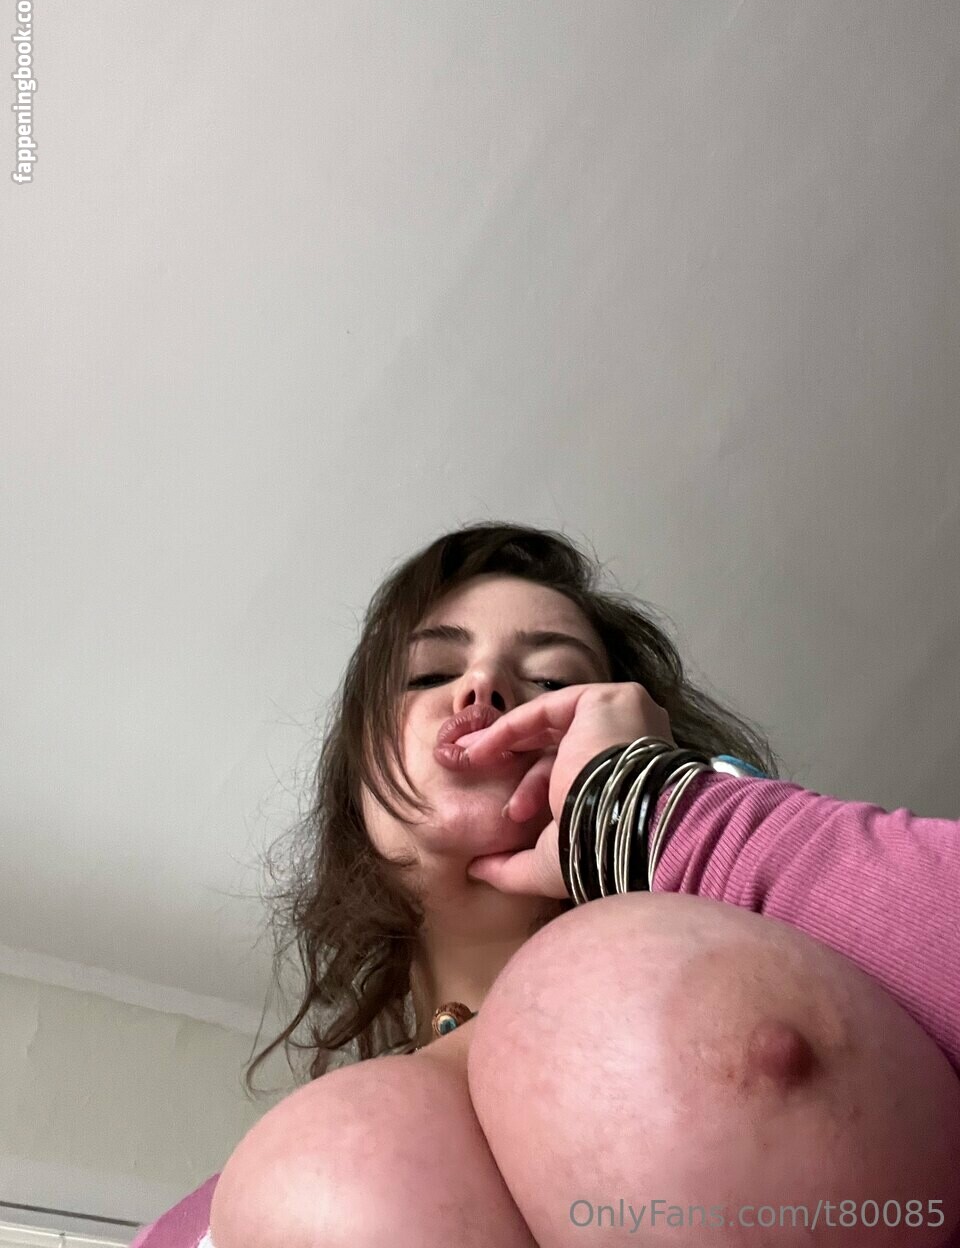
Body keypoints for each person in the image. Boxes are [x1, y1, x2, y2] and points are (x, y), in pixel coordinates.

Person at [132, 523, 960, 1248]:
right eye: (427, 675)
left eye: (555, 683)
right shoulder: (192, 1225)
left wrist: (654, 811)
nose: (485, 688)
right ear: (355, 786)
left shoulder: (793, 940)